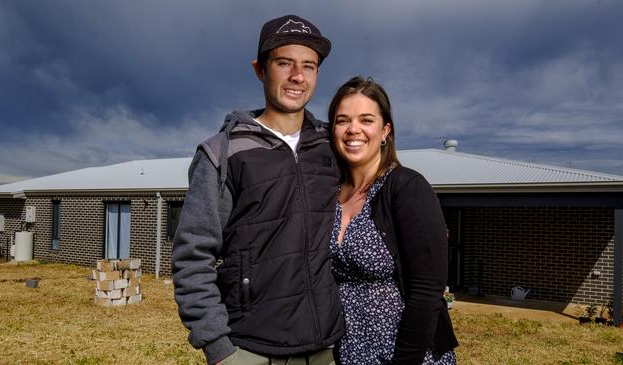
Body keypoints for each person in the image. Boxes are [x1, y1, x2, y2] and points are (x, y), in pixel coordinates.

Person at [172, 15, 344, 365]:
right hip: (250, 349)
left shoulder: (333, 146)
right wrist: (218, 349)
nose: (298, 76)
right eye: (285, 63)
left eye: (308, 66)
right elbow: (192, 255)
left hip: (326, 347)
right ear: (260, 70)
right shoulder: (223, 152)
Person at [327, 76, 458, 365]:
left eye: (366, 120)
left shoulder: (407, 188)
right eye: (342, 120)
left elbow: (427, 291)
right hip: (351, 351)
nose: (353, 130)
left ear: (385, 130)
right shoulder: (331, 195)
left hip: (408, 354)